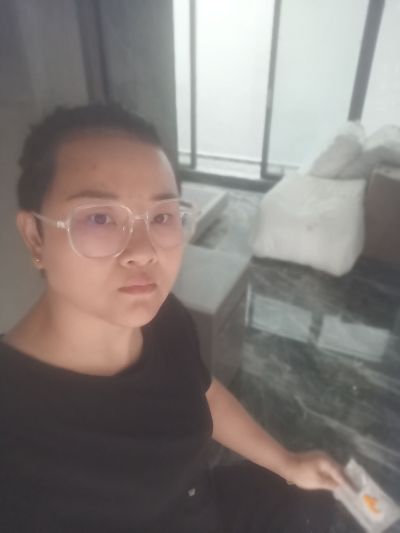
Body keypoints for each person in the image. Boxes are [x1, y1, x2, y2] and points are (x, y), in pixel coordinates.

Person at [0, 103, 351, 533]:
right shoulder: (12, 425)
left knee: (316, 504)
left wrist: (287, 462)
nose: (144, 251)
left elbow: (203, 392)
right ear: (35, 236)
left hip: (202, 505)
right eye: (99, 217)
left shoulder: (162, 317)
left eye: (162, 216)